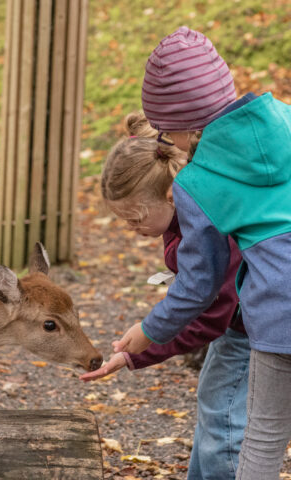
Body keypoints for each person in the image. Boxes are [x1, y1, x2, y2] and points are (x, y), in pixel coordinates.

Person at [112, 26, 291, 479]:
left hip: (276, 316)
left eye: (167, 132)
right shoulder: (286, 120)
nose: (167, 141)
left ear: (187, 125)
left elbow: (198, 288)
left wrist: (149, 331)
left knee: (262, 442)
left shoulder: (196, 183)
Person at [81, 112, 250, 479]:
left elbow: (208, 310)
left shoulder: (203, 230)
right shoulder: (183, 220)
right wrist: (134, 351)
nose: (133, 228)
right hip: (239, 325)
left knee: (223, 420)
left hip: (253, 326)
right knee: (215, 404)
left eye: (138, 217)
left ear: (171, 193)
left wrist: (145, 342)